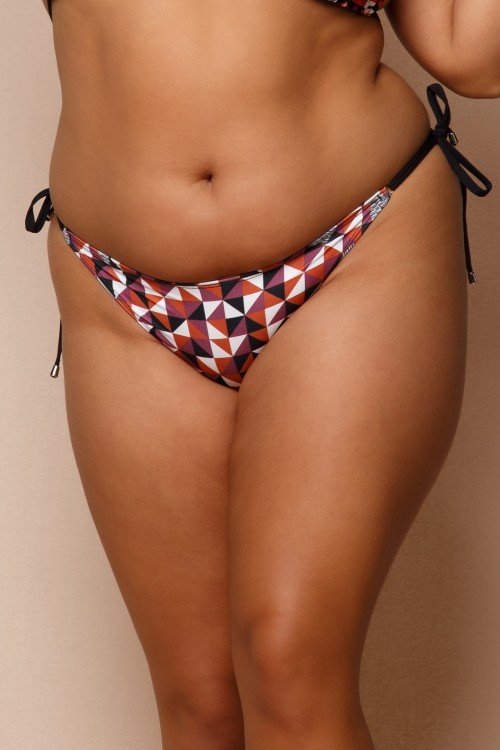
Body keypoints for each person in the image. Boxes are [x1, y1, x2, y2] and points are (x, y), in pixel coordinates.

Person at [25, 1, 496, 748]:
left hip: (354, 242)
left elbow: (469, 51)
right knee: (201, 707)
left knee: (289, 664)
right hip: (120, 290)